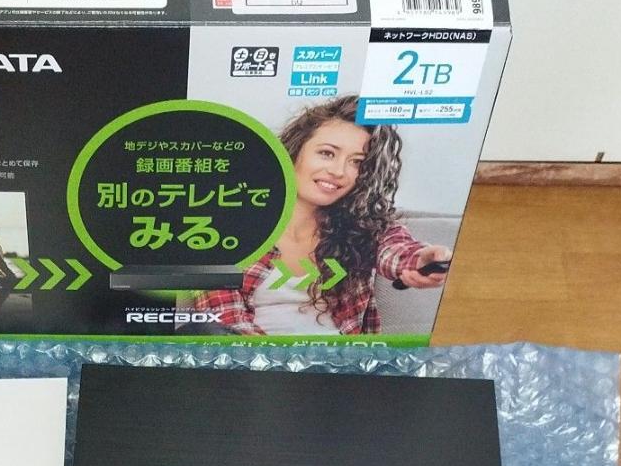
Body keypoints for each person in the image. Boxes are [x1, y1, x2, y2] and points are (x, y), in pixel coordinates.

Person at [189, 95, 451, 336]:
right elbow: (227, 322)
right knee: (203, 331)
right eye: (327, 153)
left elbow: (398, 251)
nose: (339, 171)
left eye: (357, 162)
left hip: (341, 364)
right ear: (294, 151)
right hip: (256, 361)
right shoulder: (224, 226)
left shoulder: (364, 226)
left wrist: (420, 261)